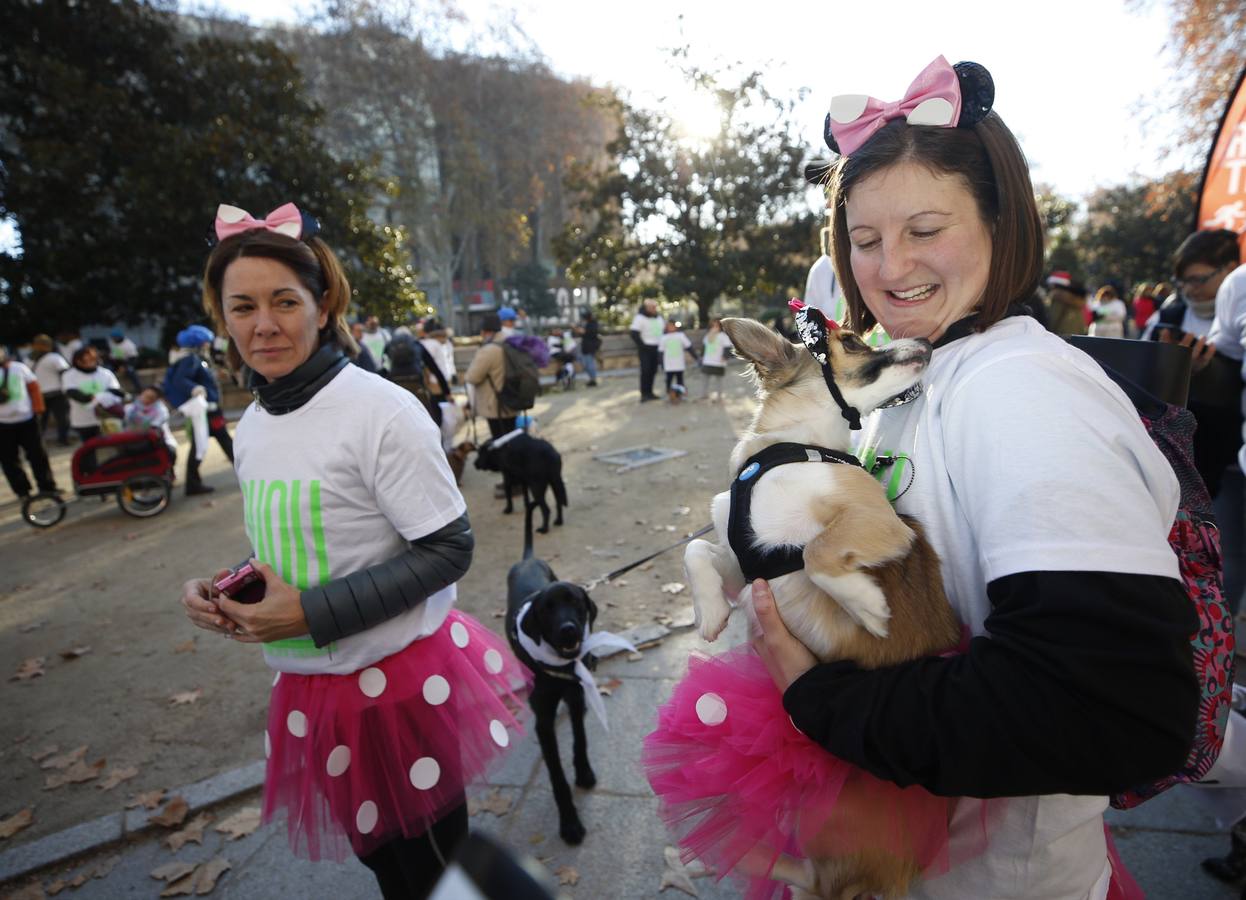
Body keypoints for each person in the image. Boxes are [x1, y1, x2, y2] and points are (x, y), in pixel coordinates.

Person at [655, 57, 1198, 899]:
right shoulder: (926, 369)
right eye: (865, 241)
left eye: (926, 228)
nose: (891, 266)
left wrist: (821, 700)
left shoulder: (1023, 392)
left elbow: (1119, 708)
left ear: (998, 222)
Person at [179, 202, 527, 900]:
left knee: (435, 869)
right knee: (383, 863)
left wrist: (310, 612)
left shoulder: (382, 410)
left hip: (397, 682)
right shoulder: (252, 426)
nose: (263, 324)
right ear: (222, 317)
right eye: (242, 306)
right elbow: (302, 539)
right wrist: (230, 589)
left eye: (284, 301)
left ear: (324, 301)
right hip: (313, 687)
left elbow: (448, 549)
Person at [163, 325, 234, 496]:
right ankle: (193, 484)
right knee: (218, 443)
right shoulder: (191, 359)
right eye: (206, 343)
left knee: (212, 443)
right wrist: (195, 389)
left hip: (208, 411)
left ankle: (193, 483)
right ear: (199, 343)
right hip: (207, 411)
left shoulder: (194, 358)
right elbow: (182, 380)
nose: (209, 346)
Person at [0, 346, 59, 500]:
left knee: (38, 455)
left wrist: (38, 409)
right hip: (3, 424)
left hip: (28, 420)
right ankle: (22, 492)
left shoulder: (19, 368)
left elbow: (34, 388)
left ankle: (47, 487)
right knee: (9, 460)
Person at [464, 313, 517, 439]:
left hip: (495, 405)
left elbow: (472, 377)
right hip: (513, 400)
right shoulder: (511, 344)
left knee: (501, 441)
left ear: (486, 331)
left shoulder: (490, 349)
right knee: (511, 438)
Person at [62, 346, 122, 443]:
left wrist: (102, 397)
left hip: (108, 418)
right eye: (88, 359)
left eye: (94, 358)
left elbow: (116, 390)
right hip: (83, 420)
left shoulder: (106, 373)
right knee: (89, 448)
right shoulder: (69, 375)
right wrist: (92, 397)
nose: (92, 361)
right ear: (78, 361)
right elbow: (72, 393)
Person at [30, 334, 71, 446]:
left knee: (41, 421)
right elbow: (66, 374)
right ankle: (63, 440)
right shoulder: (55, 357)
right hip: (57, 393)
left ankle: (38, 442)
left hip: (40, 394)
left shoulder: (29, 360)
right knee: (62, 418)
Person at [123, 385, 177, 461]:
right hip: (134, 440)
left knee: (170, 454)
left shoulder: (161, 410)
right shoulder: (130, 408)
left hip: (158, 442)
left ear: (156, 400)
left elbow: (153, 428)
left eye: (150, 398)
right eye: (145, 395)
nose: (145, 399)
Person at [629, 299, 665, 401]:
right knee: (645, 371)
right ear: (646, 308)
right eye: (652, 307)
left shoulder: (659, 318)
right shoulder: (640, 318)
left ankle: (650, 392)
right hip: (645, 348)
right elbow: (634, 333)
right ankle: (644, 394)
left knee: (653, 371)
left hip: (657, 347)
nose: (654, 309)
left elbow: (663, 331)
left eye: (655, 307)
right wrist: (642, 346)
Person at [1043, 271, 1090, 335]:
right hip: (1078, 332)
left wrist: (1047, 332)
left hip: (1062, 334)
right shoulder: (1077, 298)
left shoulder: (1058, 297)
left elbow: (1054, 318)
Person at [659, 320, 693, 401]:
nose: (671, 327)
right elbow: (660, 352)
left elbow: (689, 347)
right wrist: (661, 364)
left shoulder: (681, 335)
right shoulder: (664, 338)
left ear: (675, 326)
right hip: (668, 365)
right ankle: (669, 394)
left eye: (672, 326)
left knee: (680, 380)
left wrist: (696, 357)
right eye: (669, 326)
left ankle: (680, 395)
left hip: (679, 364)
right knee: (668, 380)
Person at [699, 318, 732, 401]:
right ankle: (704, 394)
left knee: (719, 380)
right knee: (704, 378)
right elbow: (704, 347)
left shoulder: (724, 337)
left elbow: (727, 348)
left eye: (716, 325)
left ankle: (719, 396)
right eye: (712, 325)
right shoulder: (707, 336)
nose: (714, 327)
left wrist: (725, 356)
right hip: (707, 361)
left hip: (718, 362)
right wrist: (702, 356)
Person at [107, 326, 142, 392]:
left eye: (115, 338)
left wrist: (124, 366)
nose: (113, 339)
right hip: (116, 362)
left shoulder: (129, 345)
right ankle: (111, 388)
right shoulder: (111, 343)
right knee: (108, 371)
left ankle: (139, 388)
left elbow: (133, 358)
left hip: (128, 361)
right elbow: (113, 355)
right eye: (112, 338)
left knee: (130, 371)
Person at [577, 312, 601, 387]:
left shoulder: (590, 324)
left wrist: (575, 327)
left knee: (589, 364)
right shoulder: (593, 324)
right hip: (590, 347)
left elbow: (584, 332)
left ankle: (593, 379)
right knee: (589, 363)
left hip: (588, 347)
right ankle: (592, 379)